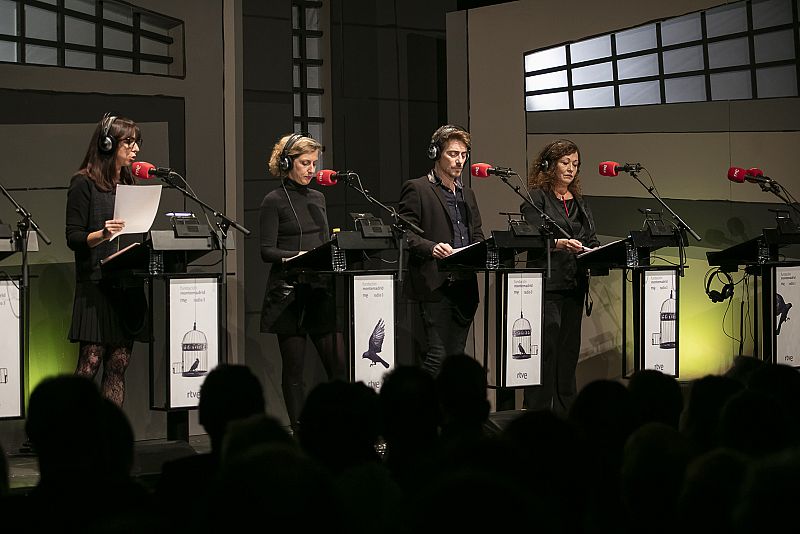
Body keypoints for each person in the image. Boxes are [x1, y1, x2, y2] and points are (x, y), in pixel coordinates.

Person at [259, 133, 344, 432]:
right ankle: (299, 430)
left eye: (314, 163)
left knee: (339, 367)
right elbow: (266, 250)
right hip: (288, 295)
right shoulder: (273, 200)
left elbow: (323, 239)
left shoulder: (318, 198)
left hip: (320, 290)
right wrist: (298, 256)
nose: (311, 169)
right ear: (286, 163)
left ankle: (340, 425)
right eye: (304, 163)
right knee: (294, 370)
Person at [65, 113, 148, 407]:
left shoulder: (128, 182)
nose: (136, 149)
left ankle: (107, 436)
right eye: (130, 142)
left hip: (126, 284)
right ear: (107, 143)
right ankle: (59, 429)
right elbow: (73, 237)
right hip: (96, 285)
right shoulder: (83, 183)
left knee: (118, 364)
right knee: (90, 362)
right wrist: (101, 233)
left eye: (137, 142)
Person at [398, 125, 485, 376]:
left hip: (465, 288)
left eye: (464, 155)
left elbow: (476, 233)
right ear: (436, 153)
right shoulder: (417, 188)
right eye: (453, 154)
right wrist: (432, 247)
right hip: (435, 285)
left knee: (455, 360)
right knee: (437, 357)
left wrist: (480, 249)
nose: (460, 161)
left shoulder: (468, 194)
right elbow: (404, 234)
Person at [521, 139, 599, 414]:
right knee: (546, 352)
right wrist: (558, 244)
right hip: (547, 286)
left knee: (567, 354)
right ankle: (538, 414)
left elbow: (591, 238)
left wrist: (595, 250)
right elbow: (530, 237)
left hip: (574, 284)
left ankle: (567, 415)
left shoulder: (579, 201)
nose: (570, 169)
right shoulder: (537, 198)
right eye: (565, 163)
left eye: (575, 164)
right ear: (549, 165)